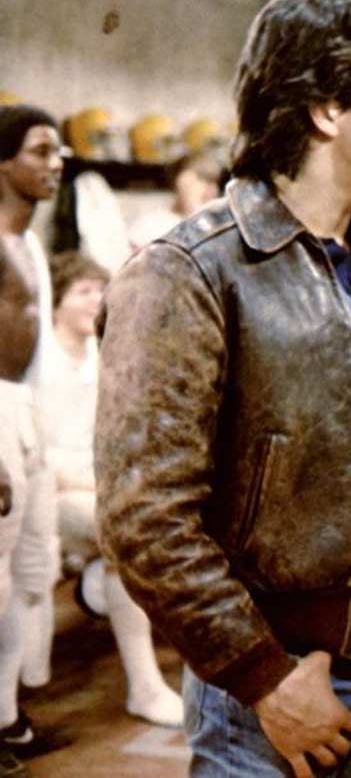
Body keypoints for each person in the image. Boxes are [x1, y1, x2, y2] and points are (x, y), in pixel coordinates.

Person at [95, 0, 351, 778]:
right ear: (328, 108)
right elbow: (144, 516)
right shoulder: (190, 272)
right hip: (276, 688)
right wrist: (262, 678)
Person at [28, 252, 184, 727]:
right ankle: (145, 687)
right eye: (83, 292)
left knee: (159, 518)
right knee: (124, 529)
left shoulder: (100, 355)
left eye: (100, 290)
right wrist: (97, 484)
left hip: (99, 486)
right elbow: (35, 449)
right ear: (57, 301)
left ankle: (99, 585)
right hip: (49, 492)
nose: (95, 300)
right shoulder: (38, 358)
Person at [0, 105, 64, 777]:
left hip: (29, 417)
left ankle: (5, 714)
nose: (57, 163)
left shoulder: (32, 246)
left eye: (59, 151)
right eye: (42, 151)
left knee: (30, 574)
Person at [127, 150, 225, 249]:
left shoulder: (218, 231)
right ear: (180, 180)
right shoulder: (150, 225)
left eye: (216, 182)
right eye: (204, 179)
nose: (212, 190)